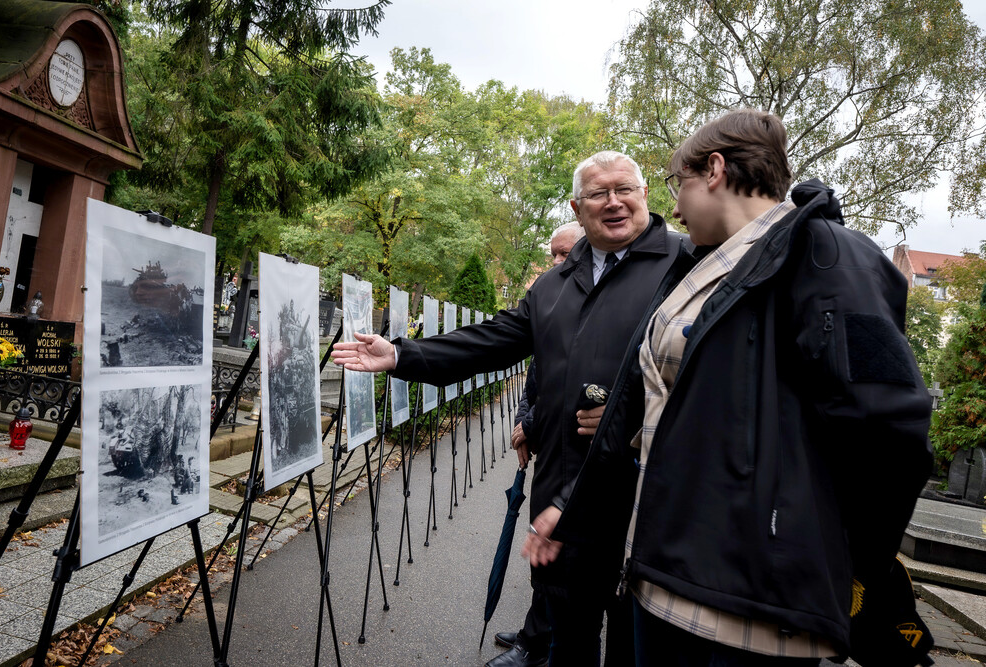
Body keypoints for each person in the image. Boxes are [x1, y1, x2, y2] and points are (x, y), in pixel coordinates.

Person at [528, 109, 933, 666]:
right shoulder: (704, 267)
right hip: (667, 581)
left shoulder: (830, 258)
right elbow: (655, 416)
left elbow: (889, 431)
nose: (672, 207)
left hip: (752, 607)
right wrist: (572, 508)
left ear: (714, 170)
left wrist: (840, 555)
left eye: (676, 183)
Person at [333, 150, 694, 666]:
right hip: (559, 499)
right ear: (576, 207)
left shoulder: (687, 265)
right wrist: (400, 354)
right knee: (567, 640)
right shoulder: (552, 285)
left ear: (645, 195)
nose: (613, 202)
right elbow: (493, 341)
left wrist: (631, 419)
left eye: (625, 189)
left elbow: (715, 376)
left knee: (635, 650)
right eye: (598, 194)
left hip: (642, 504)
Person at [492, 222, 586, 667]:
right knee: (543, 557)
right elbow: (535, 380)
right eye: (552, 254)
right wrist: (521, 424)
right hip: (547, 449)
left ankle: (538, 644)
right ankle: (536, 631)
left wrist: (529, 426)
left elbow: (570, 390)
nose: (555, 263)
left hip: (579, 459)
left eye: (563, 254)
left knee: (561, 563)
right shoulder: (551, 298)